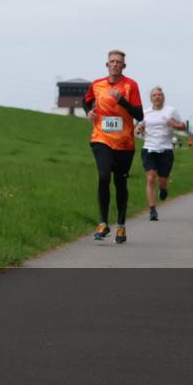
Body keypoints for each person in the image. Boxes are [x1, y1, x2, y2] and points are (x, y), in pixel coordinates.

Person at [84, 49, 144, 244]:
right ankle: (103, 223)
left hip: (124, 142)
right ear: (107, 65)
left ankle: (121, 226)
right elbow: (86, 103)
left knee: (120, 183)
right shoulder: (96, 85)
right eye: (112, 61)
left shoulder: (131, 85)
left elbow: (139, 115)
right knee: (103, 176)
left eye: (119, 62)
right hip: (101, 138)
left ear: (124, 66)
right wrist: (89, 113)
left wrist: (121, 100)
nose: (115, 64)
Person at [135, 86, 186, 221]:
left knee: (162, 181)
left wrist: (174, 125)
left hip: (166, 150)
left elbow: (183, 126)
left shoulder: (170, 111)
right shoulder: (145, 113)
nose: (157, 97)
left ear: (163, 97)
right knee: (151, 178)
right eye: (154, 95)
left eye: (159, 95)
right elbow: (137, 129)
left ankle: (163, 189)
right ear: (151, 98)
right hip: (149, 149)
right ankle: (152, 209)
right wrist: (139, 129)